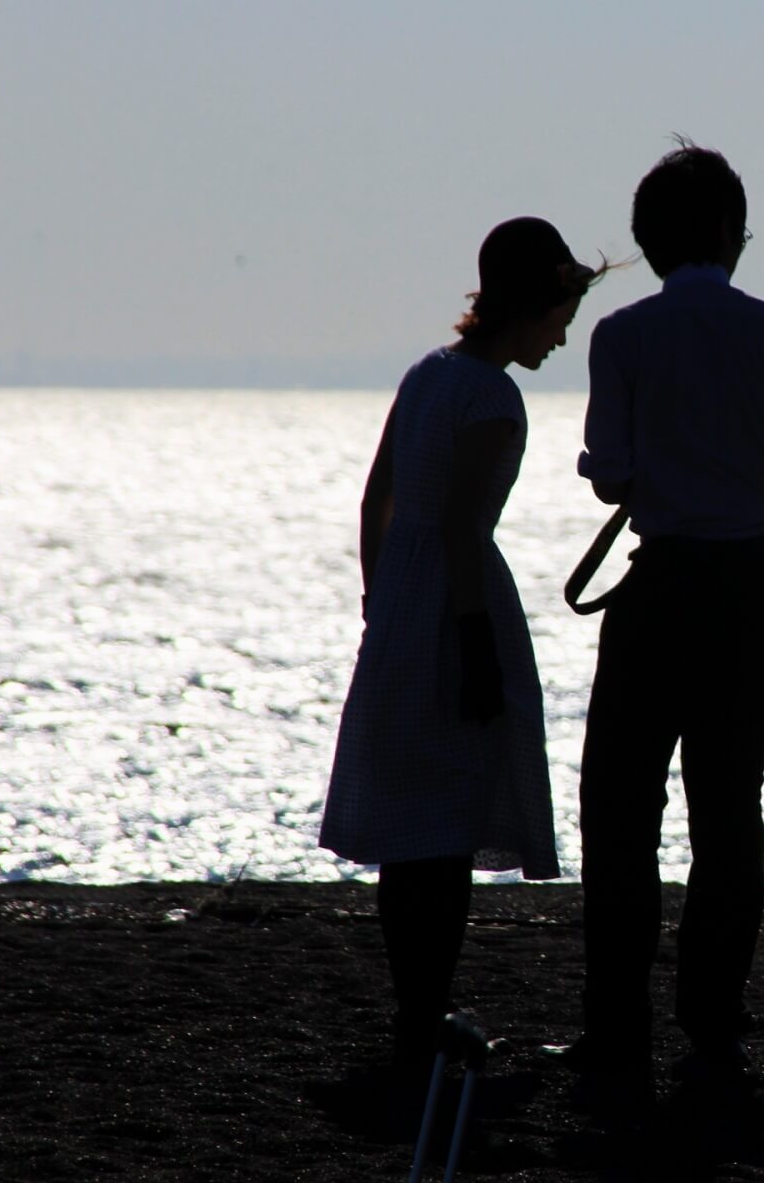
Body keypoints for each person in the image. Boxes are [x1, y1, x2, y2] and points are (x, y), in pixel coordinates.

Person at [552, 142, 764, 1118]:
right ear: (732, 232)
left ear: (646, 240)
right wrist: (754, 460)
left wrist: (662, 461)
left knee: (618, 807)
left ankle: (616, 1027)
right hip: (751, 589)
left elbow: (610, 473)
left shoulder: (621, 335)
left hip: (661, 586)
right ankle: (714, 1024)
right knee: (729, 810)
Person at [320, 217, 610, 1080]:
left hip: (404, 602)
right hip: (458, 607)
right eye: (559, 318)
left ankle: (414, 1011)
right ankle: (423, 1016)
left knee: (411, 826)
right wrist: (477, 645)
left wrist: (379, 600)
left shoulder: (428, 374)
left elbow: (377, 499)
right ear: (529, 306)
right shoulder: (492, 399)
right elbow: (460, 528)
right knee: (444, 829)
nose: (562, 338)